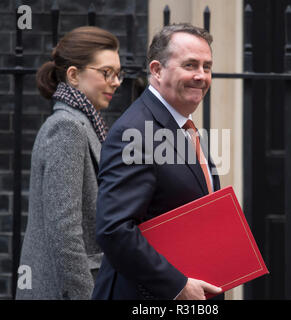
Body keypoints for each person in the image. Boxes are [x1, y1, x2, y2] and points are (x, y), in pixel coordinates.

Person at [92, 23, 224, 300]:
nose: (201, 76)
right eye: (190, 65)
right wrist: (177, 285)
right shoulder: (136, 132)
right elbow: (114, 229)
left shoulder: (180, 125)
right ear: (156, 70)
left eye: (207, 66)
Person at [16, 26, 122, 300]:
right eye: (106, 72)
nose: (117, 82)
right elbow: (64, 234)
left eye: (118, 74)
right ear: (74, 75)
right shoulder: (67, 127)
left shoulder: (84, 124)